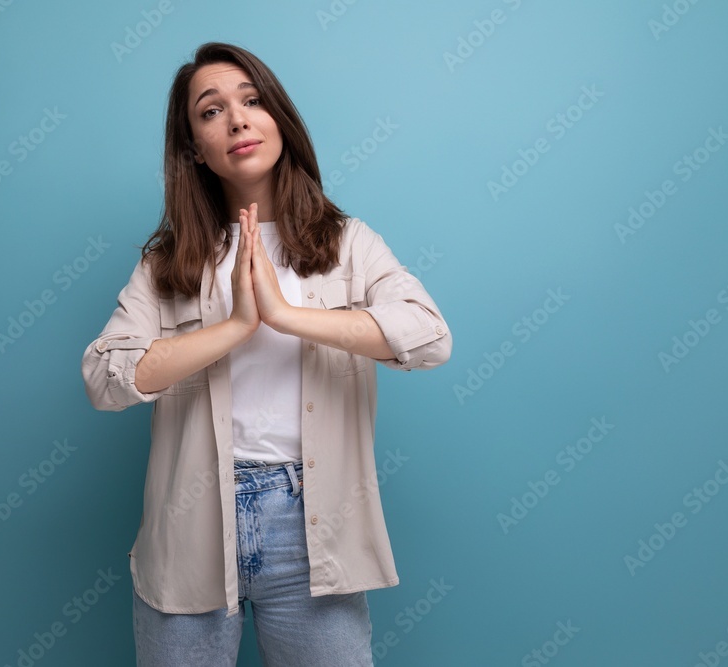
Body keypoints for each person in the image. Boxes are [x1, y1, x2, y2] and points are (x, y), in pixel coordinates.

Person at [81, 41, 452, 667]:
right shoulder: (168, 260)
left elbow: (429, 335)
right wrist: (233, 327)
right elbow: (104, 378)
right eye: (211, 110)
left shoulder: (348, 243)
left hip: (315, 525)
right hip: (190, 522)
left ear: (279, 117)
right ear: (195, 147)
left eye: (252, 101)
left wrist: (286, 317)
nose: (237, 119)